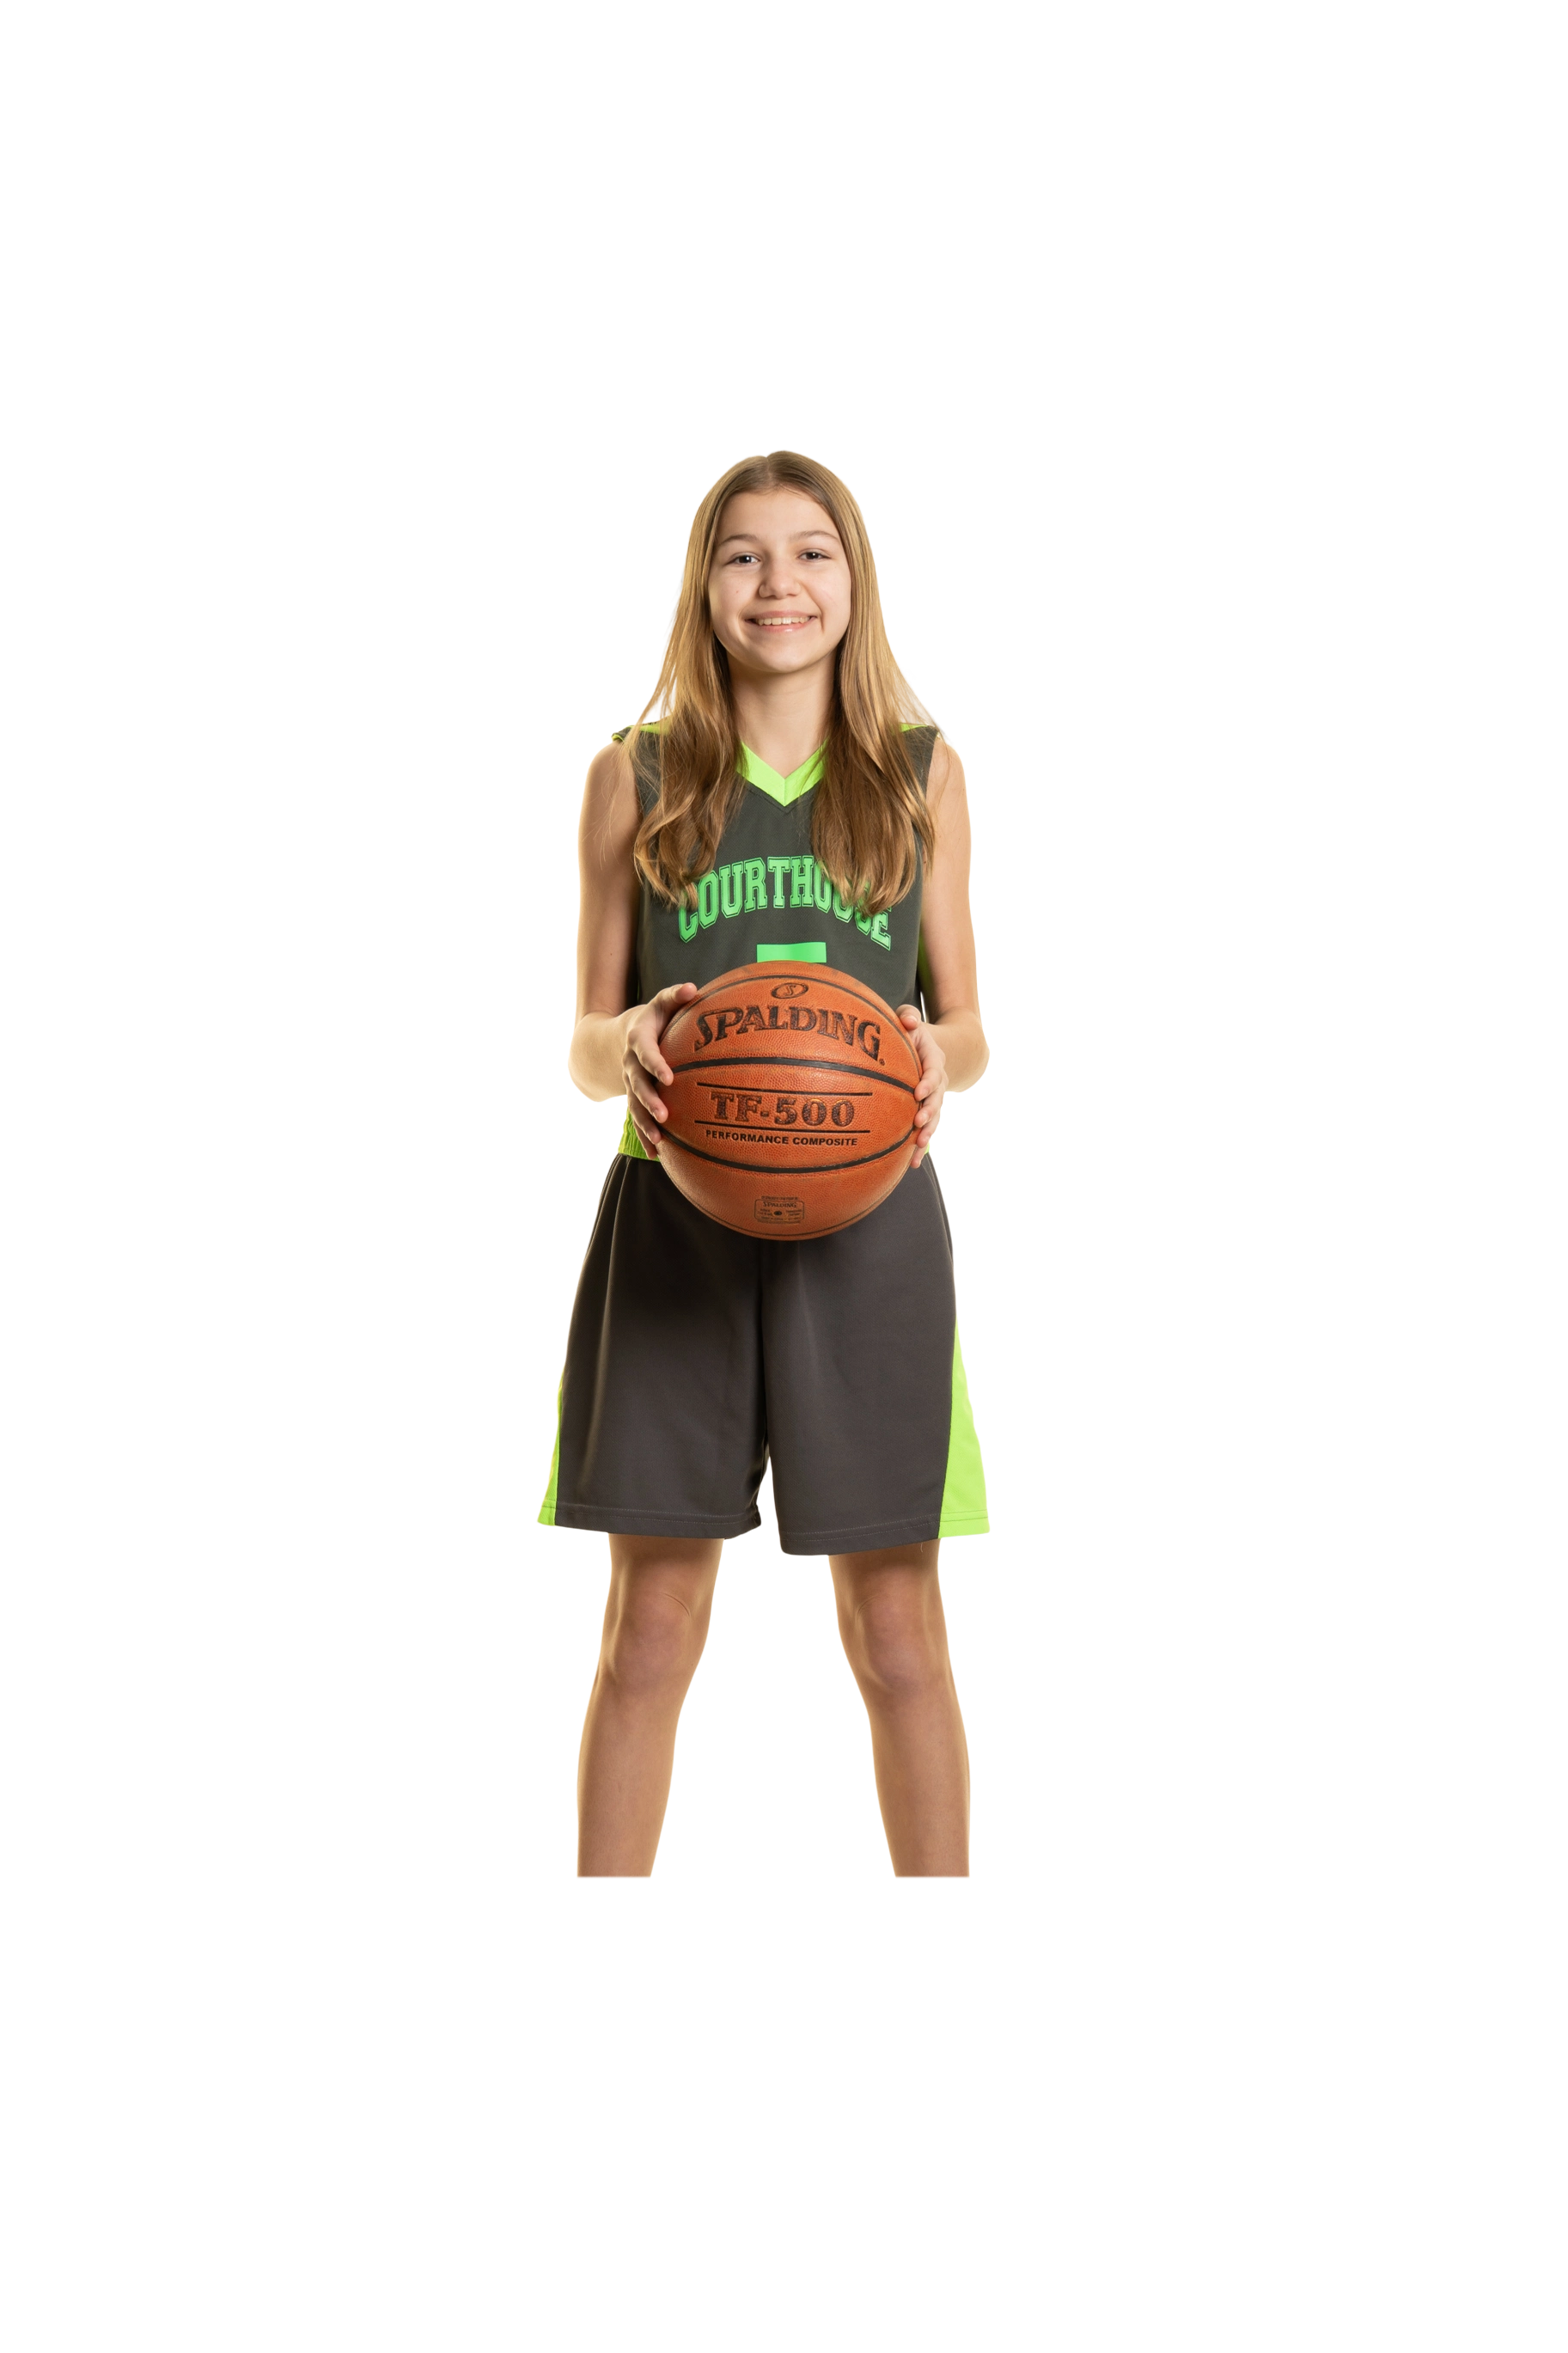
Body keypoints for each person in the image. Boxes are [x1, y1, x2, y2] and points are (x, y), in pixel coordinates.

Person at [539, 449, 990, 1879]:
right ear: (697, 587)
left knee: (900, 1631)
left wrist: (934, 1056)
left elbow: (969, 1027)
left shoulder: (921, 774)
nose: (777, 583)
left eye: (812, 552)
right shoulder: (635, 775)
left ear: (860, 581)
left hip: (874, 1221)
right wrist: (630, 1040)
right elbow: (583, 1039)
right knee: (650, 1627)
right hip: (673, 1216)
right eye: (741, 554)